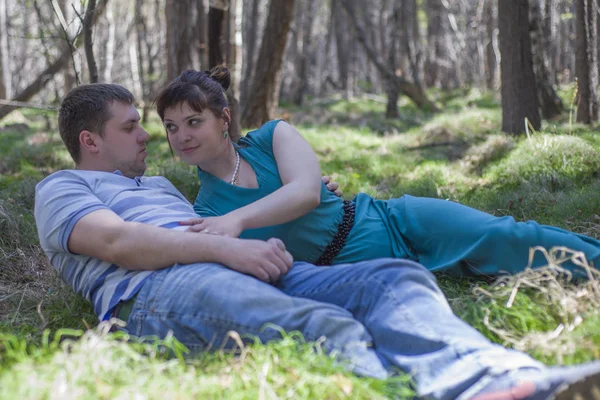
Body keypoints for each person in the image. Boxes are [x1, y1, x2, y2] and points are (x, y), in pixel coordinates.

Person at [34, 82, 600, 400]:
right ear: (90, 140)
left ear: (223, 120)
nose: (158, 138)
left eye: (187, 123)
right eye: (135, 126)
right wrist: (227, 246)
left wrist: (303, 199)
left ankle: (503, 381)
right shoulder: (61, 186)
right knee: (324, 324)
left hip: (245, 263)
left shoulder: (163, 186)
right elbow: (116, 243)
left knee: (397, 279)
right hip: (165, 288)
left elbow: (273, 211)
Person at [155, 67, 600, 278]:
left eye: (194, 122)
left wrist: (239, 220)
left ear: (224, 119)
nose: (182, 136)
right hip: (360, 273)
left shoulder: (275, 136)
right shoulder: (206, 208)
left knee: (507, 237)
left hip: (391, 222)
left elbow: (308, 192)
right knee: (489, 272)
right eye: (171, 127)